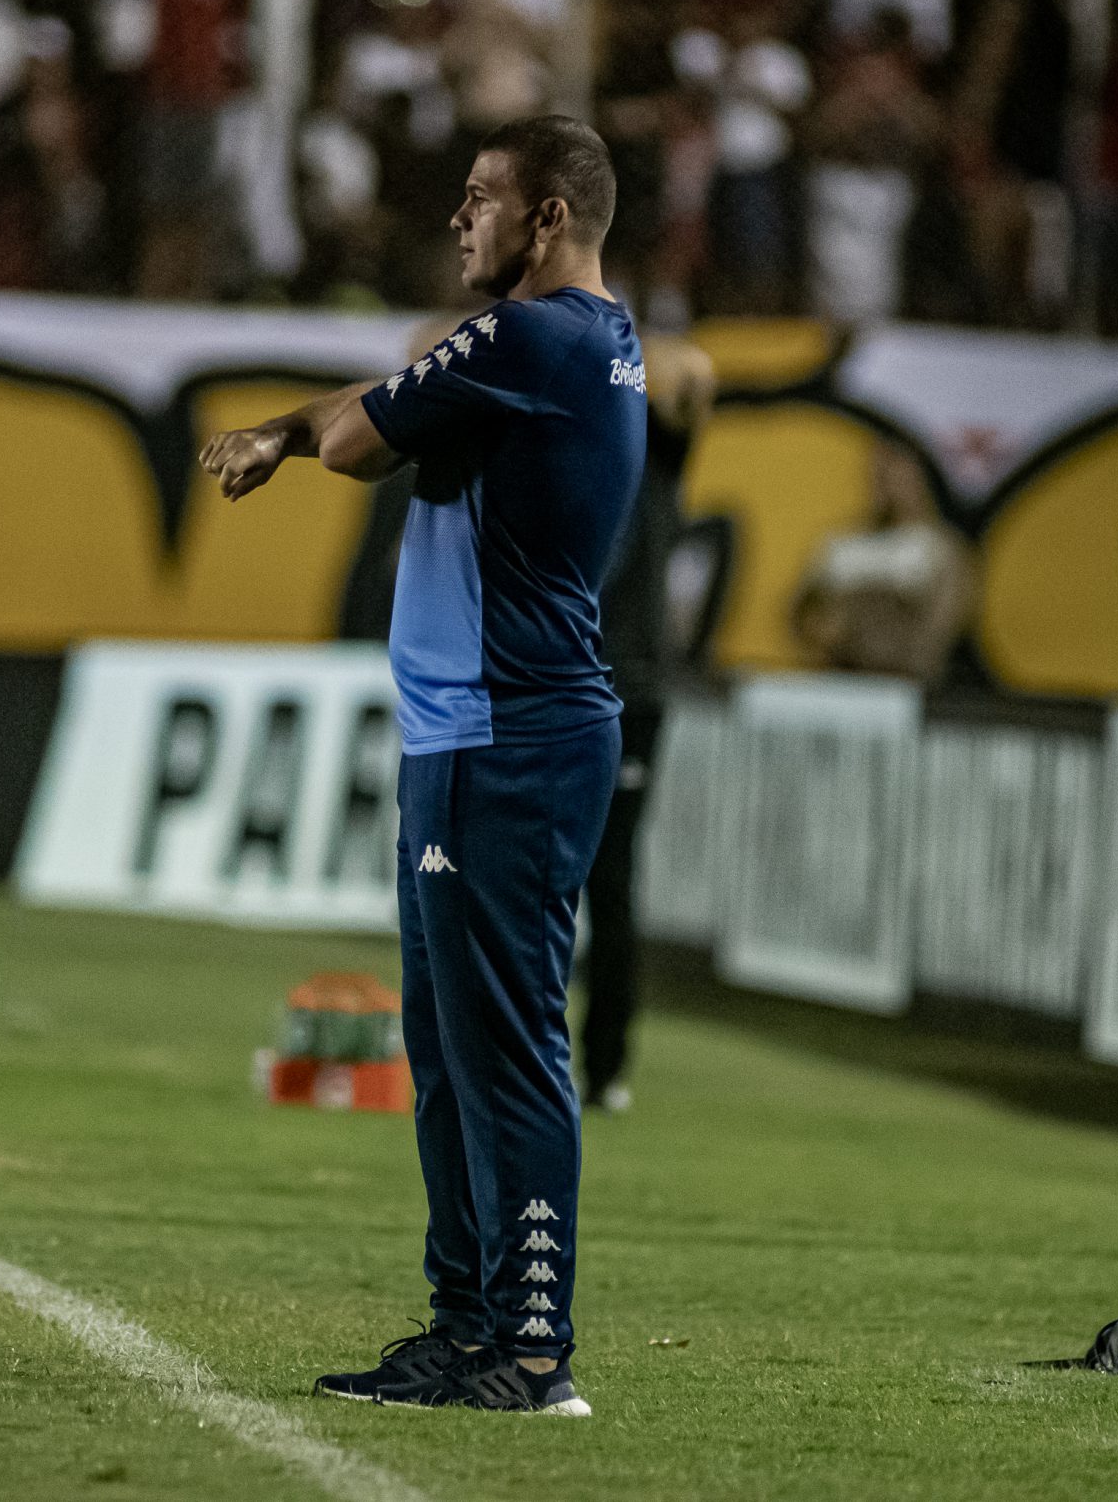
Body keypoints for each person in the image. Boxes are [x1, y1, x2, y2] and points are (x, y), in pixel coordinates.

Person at [199, 116, 642, 1415]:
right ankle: (466, 1326)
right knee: (447, 1047)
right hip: (475, 734)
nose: (459, 220)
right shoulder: (592, 345)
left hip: (509, 732)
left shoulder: (531, 336)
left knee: (507, 1048)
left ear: (548, 216)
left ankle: (535, 1342)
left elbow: (358, 438)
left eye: (480, 199)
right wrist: (318, 422)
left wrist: (304, 430)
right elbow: (375, 414)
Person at [581, 332, 713, 1116]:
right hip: (562, 689)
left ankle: (604, 1066)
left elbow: (694, 373)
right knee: (539, 883)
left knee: (610, 880)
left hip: (626, 696)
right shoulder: (576, 457)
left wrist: (625, 352)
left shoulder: (658, 454)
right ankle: (531, 1059)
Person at [792, 442, 974, 685]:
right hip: (840, 680)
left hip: (908, 686)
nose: (891, 484)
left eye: (901, 474)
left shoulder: (941, 548)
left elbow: (940, 629)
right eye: (883, 474)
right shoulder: (844, 544)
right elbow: (805, 615)